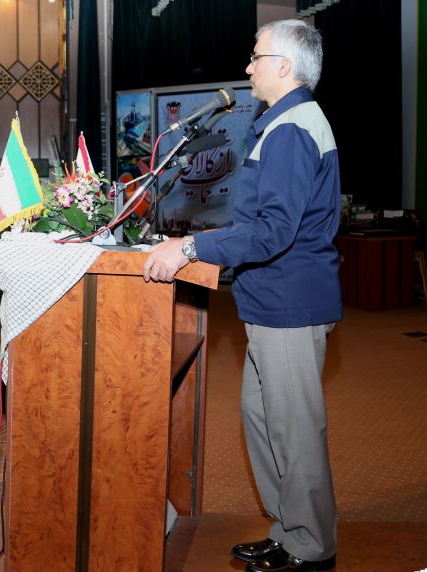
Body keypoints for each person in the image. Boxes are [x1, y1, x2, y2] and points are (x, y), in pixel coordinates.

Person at [142, 19, 338, 572]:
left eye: (256, 57)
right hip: (271, 301)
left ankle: (311, 547)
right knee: (264, 416)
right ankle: (289, 529)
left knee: (293, 428)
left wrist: (188, 248)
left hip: (290, 304)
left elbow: (272, 231)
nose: (248, 67)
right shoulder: (280, 123)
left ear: (284, 66)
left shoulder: (293, 129)